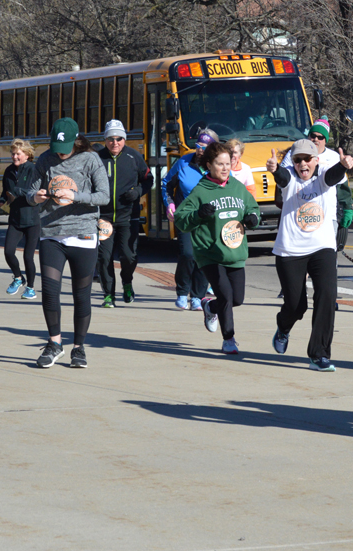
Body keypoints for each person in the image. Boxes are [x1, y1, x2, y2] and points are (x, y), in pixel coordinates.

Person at [25, 118, 110, 368]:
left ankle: (79, 348)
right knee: (50, 291)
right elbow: (29, 192)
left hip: (83, 234)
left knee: (80, 295)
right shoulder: (44, 159)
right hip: (52, 233)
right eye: (56, 147)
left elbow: (104, 196)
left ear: (76, 141)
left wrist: (75, 196)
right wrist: (35, 197)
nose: (60, 153)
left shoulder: (90, 160)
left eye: (65, 147)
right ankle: (54, 344)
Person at [268, 140, 353, 371]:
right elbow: (282, 179)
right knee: (296, 306)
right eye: (298, 160)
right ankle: (283, 327)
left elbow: (333, 176)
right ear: (293, 163)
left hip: (322, 247)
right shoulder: (289, 179)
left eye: (308, 159)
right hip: (290, 250)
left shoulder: (324, 174)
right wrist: (276, 170)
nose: (303, 164)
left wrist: (344, 166)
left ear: (316, 160)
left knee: (327, 296)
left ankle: (319, 355)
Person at [174, 140, 261, 355]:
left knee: (237, 299)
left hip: (235, 252)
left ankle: (210, 307)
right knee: (225, 294)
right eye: (220, 164)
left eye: (228, 164)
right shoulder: (201, 190)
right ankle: (229, 339)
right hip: (210, 254)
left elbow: (253, 208)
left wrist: (252, 218)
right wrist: (198, 214)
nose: (225, 168)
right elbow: (180, 219)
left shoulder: (237, 187)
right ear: (209, 165)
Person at [97, 119, 153, 308]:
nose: (115, 143)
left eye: (119, 139)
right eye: (111, 139)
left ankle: (127, 282)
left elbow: (148, 179)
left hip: (128, 216)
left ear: (124, 139)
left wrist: (137, 192)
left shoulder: (134, 157)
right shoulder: (97, 159)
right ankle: (108, 295)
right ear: (105, 139)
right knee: (104, 257)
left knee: (129, 256)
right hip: (103, 218)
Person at [163, 130, 215, 310]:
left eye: (204, 147)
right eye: (198, 146)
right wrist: (170, 204)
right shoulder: (184, 162)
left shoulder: (217, 167)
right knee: (188, 254)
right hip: (185, 217)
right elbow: (166, 184)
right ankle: (182, 291)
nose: (200, 150)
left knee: (203, 256)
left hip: (208, 218)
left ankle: (198, 296)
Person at [1, 139, 40, 300]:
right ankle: (18, 277)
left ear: (27, 155)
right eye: (13, 153)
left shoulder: (33, 169)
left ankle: (30, 288)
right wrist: (1, 200)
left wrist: (17, 191)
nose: (14, 156)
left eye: (18, 154)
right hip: (15, 219)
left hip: (32, 219)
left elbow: (33, 191)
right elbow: (5, 191)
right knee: (8, 251)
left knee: (28, 256)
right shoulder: (8, 171)